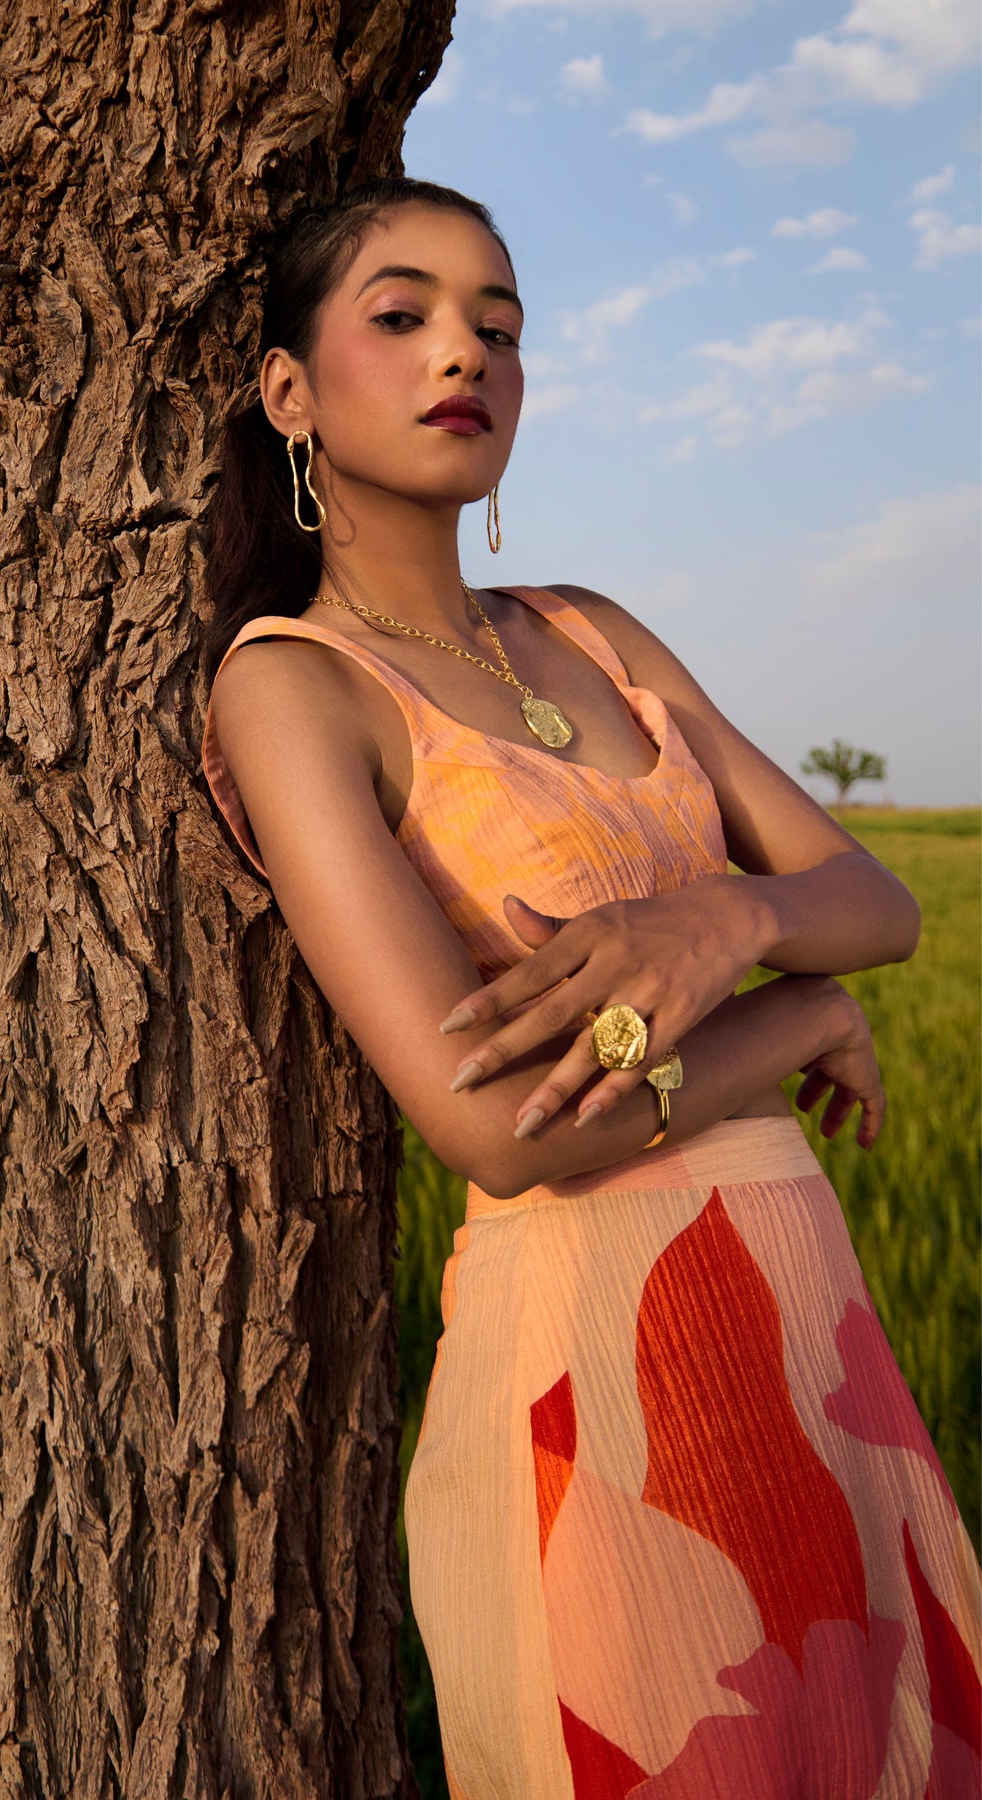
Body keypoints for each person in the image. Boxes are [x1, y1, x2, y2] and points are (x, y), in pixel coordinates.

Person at [199, 177, 980, 1796]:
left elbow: (872, 899)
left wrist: (723, 927)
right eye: (402, 316)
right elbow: (501, 1135)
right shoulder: (294, 688)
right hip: (598, 1359)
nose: (460, 355)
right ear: (291, 392)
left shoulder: (591, 626)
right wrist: (799, 1017)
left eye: (499, 326)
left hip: (813, 1329)